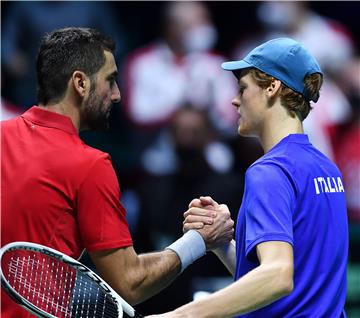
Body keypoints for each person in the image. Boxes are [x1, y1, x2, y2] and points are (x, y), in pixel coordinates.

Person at [0, 27, 235, 318]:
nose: (117, 95)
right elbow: (129, 283)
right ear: (80, 83)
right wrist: (200, 240)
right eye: (110, 80)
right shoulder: (90, 164)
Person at [148, 38, 348, 317]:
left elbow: (277, 276)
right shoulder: (328, 170)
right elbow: (289, 283)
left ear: (272, 88)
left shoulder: (269, 172)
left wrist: (181, 315)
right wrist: (221, 244)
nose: (234, 99)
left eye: (243, 88)